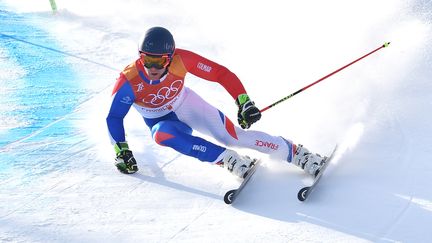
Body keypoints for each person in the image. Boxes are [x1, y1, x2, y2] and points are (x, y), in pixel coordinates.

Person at [106, 26, 325, 179]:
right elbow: (114, 117)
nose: (152, 67)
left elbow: (220, 73)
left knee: (231, 136)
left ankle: (296, 153)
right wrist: (121, 150)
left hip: (187, 105)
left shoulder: (182, 59)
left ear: (170, 57)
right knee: (160, 135)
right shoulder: (129, 81)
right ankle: (227, 159)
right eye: (147, 59)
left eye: (160, 61)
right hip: (163, 122)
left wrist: (244, 102)